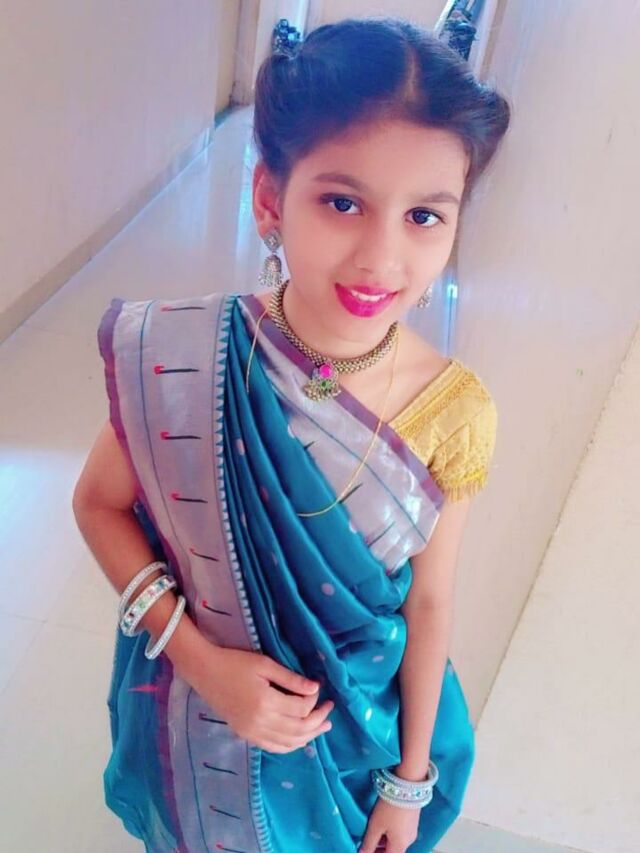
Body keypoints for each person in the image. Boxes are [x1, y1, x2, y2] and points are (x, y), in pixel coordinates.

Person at [72, 16, 511, 853]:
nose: (382, 257)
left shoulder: (455, 410)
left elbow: (428, 602)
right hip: (200, 710)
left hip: (355, 743)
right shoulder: (185, 355)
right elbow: (97, 505)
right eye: (342, 202)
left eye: (425, 215)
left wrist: (407, 780)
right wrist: (201, 663)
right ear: (270, 199)